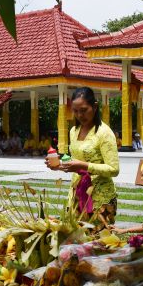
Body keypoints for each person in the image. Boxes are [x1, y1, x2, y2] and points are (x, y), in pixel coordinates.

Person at [47, 87, 119, 230]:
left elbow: (114, 169)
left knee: (97, 242)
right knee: (74, 238)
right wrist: (59, 164)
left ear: (95, 106)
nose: (80, 115)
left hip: (100, 197)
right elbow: (74, 160)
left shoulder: (104, 133)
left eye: (84, 110)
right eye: (75, 111)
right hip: (77, 192)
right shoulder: (74, 131)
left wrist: (84, 165)